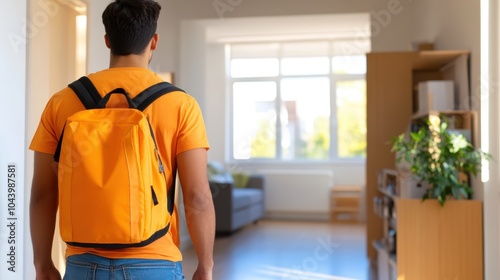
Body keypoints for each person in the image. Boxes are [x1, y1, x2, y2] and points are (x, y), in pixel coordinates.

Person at [28, 0, 215, 279]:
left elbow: (43, 193)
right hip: (155, 261)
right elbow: (197, 197)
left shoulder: (61, 102)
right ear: (154, 42)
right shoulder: (180, 105)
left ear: (107, 41)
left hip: (83, 263)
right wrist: (205, 265)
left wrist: (42, 264)